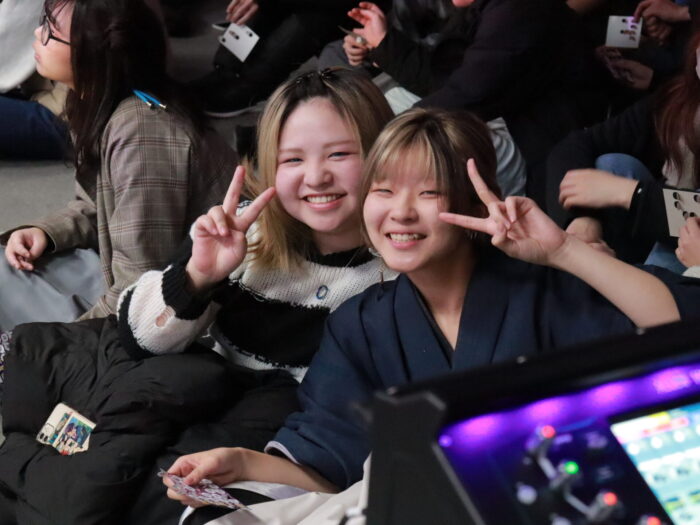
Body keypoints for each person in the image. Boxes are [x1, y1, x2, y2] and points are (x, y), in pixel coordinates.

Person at [163, 109, 699, 519]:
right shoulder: (360, 324)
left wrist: (563, 250)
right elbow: (331, 473)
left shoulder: (544, 289)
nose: (400, 212)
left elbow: (679, 331)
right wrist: (242, 461)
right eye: (383, 190)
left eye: (428, 192)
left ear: (473, 203)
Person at [111, 67, 396, 524]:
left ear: (384, 153)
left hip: (284, 449)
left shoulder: (398, 270)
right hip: (196, 400)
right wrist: (199, 275)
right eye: (292, 160)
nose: (316, 177)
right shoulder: (248, 230)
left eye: (340, 154)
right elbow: (137, 339)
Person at [0, 0, 236, 332]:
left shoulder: (143, 134)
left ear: (95, 53)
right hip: (121, 272)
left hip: (177, 316)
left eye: (51, 31)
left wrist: (48, 348)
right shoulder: (95, 99)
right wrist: (47, 232)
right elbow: (96, 204)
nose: (38, 34)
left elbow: (140, 293)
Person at [326, 0, 606, 204]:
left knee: (410, 134)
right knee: (387, 105)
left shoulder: (521, 10)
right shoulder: (487, 10)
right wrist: (383, 42)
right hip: (503, 121)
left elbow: (467, 93)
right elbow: (448, 78)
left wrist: (385, 140)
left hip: (538, 153)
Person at [546, 29, 700, 271]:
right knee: (612, 164)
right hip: (671, 228)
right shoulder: (682, 101)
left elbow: (695, 220)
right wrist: (584, 219)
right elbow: (577, 144)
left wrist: (627, 193)